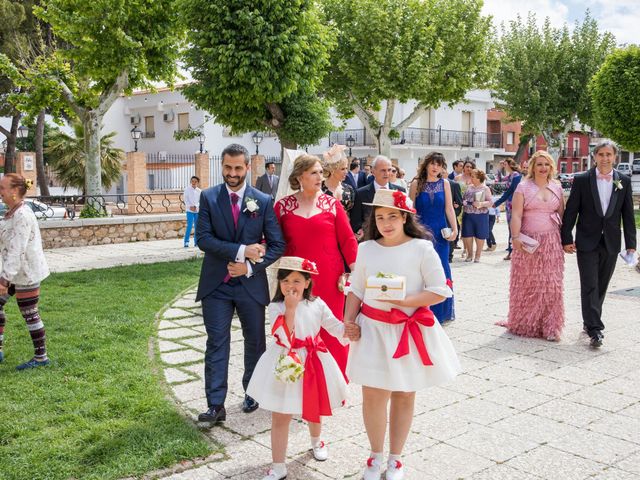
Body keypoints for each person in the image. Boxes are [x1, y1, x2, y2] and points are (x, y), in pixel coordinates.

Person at [344, 189, 460, 480]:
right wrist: (348, 319)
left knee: (405, 393)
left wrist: (404, 302)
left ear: (405, 217)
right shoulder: (367, 248)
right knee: (373, 394)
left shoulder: (421, 248)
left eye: (392, 216)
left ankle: (395, 458)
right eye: (380, 217)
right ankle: (375, 455)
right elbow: (357, 288)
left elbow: (440, 290)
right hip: (373, 329)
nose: (386, 223)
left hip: (408, 330)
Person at [195, 144, 286, 424]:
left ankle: (253, 392)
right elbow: (203, 239)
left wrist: (248, 265)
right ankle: (215, 405)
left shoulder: (262, 200)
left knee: (255, 342)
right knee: (217, 343)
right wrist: (241, 251)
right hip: (217, 285)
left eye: (237, 168)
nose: (232, 173)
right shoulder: (208, 198)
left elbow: (277, 244)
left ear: (247, 168)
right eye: (227, 168)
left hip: (250, 283)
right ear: (221, 167)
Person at [247, 257, 358, 480]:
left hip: (314, 360)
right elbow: (284, 336)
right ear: (279, 284)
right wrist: (290, 309)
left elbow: (335, 327)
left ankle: (317, 442)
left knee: (313, 405)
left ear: (307, 282)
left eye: (297, 280)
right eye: (285, 280)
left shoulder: (317, 304)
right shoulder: (276, 306)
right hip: (285, 360)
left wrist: (351, 328)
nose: (291, 285)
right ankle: (278, 465)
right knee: (281, 414)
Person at [275, 154, 358, 376]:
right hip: (295, 281)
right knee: (298, 327)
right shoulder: (283, 207)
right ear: (300, 176)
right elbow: (272, 240)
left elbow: (348, 240)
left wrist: (355, 271)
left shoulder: (332, 205)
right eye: (314, 172)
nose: (320, 177)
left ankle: (334, 383)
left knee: (331, 330)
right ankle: (298, 378)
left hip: (330, 279)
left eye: (321, 172)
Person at [561, 141, 636, 348]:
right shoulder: (582, 180)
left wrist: (631, 243)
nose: (605, 158)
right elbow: (571, 211)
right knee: (590, 284)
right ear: (594, 157)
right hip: (586, 241)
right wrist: (566, 238)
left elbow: (628, 215)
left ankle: (589, 322)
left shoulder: (624, 181)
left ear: (615, 157)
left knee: (601, 285)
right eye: (601, 154)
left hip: (611, 242)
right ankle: (596, 329)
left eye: (608, 154)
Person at [498, 151, 565, 340]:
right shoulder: (523, 187)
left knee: (552, 284)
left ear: (551, 167)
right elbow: (516, 214)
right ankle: (527, 323)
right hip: (528, 241)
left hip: (552, 241)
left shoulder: (557, 187)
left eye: (547, 165)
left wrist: (566, 240)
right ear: (532, 167)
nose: (543, 168)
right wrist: (515, 237)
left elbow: (562, 214)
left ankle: (551, 326)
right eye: (539, 164)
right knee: (529, 283)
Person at [0, 174, 51, 370]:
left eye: (3, 188)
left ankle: (41, 358)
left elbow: (17, 249)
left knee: (30, 313)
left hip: (26, 273)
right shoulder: (11, 212)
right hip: (13, 273)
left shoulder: (22, 215)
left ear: (14, 191)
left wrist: (4, 281)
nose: (0, 192)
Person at [410, 152, 457, 323]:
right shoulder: (416, 184)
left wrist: (455, 229)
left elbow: (449, 209)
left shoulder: (445, 183)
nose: (435, 167)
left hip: (440, 233)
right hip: (420, 233)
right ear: (426, 164)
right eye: (432, 163)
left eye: (439, 164)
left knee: (442, 268)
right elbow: (410, 210)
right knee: (421, 270)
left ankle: (442, 311)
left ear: (442, 167)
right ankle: (422, 309)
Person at [351, 155, 406, 239]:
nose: (387, 173)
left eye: (389, 170)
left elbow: (404, 218)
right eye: (383, 170)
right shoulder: (360, 194)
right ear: (373, 171)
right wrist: (362, 232)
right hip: (370, 240)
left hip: (394, 240)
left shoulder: (400, 191)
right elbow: (356, 221)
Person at [492, 158, 522, 260]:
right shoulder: (510, 175)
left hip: (514, 204)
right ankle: (511, 250)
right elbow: (498, 179)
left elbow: (510, 191)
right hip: (509, 204)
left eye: (505, 164)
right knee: (510, 227)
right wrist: (500, 167)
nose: (504, 165)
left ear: (510, 164)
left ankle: (512, 251)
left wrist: (497, 203)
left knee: (513, 227)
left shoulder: (516, 175)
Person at [461, 169, 493, 263]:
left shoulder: (485, 188)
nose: (471, 177)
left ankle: (478, 255)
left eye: (473, 176)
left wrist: (481, 204)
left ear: (479, 178)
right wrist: (463, 202)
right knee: (467, 234)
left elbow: (491, 202)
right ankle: (470, 254)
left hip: (481, 215)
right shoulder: (469, 187)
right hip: (468, 214)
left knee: (480, 235)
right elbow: (463, 198)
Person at [321, 144, 356, 213]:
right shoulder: (319, 189)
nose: (346, 172)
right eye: (342, 169)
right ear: (332, 170)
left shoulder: (349, 189)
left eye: (346, 168)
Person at [183, 176, 201, 248]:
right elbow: (185, 199)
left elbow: (200, 201)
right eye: (192, 181)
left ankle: (196, 242)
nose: (193, 182)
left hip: (197, 211)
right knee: (189, 226)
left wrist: (196, 206)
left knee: (197, 226)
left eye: (195, 181)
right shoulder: (187, 190)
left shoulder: (199, 191)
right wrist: (190, 206)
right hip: (189, 210)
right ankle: (186, 242)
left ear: (197, 182)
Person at [448, 178, 463, 260]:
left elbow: (459, 202)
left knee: (450, 236)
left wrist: (454, 214)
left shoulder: (453, 184)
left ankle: (449, 256)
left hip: (449, 216)